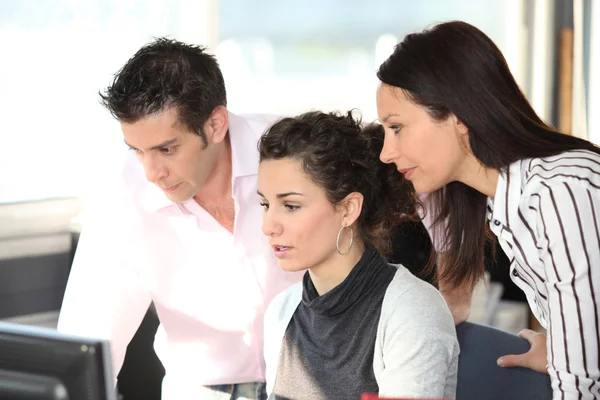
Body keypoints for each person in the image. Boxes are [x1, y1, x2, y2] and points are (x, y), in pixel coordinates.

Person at [57, 37, 302, 400]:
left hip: (312, 386)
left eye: (166, 149)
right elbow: (87, 337)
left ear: (215, 125)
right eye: (137, 151)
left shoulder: (295, 156)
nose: (152, 172)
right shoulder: (125, 194)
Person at [376, 20, 600, 399]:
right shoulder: (502, 204)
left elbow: (580, 390)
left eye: (397, 127)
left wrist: (575, 364)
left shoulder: (559, 191)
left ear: (458, 117)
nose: (386, 152)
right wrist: (569, 352)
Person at [258, 111, 459, 400]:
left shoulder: (411, 312)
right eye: (265, 204)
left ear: (349, 209)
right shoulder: (282, 311)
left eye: (291, 206)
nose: (268, 226)